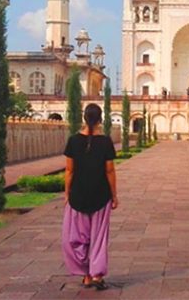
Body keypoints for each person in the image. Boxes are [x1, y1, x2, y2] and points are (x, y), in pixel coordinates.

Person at [62, 103, 118, 290]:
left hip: (78, 195)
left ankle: (86, 275)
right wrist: (114, 195)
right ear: (100, 119)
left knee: (79, 237)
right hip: (100, 195)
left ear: (84, 118)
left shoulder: (73, 140)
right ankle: (97, 274)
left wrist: (67, 193)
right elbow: (109, 171)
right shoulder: (106, 142)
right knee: (99, 237)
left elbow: (69, 170)